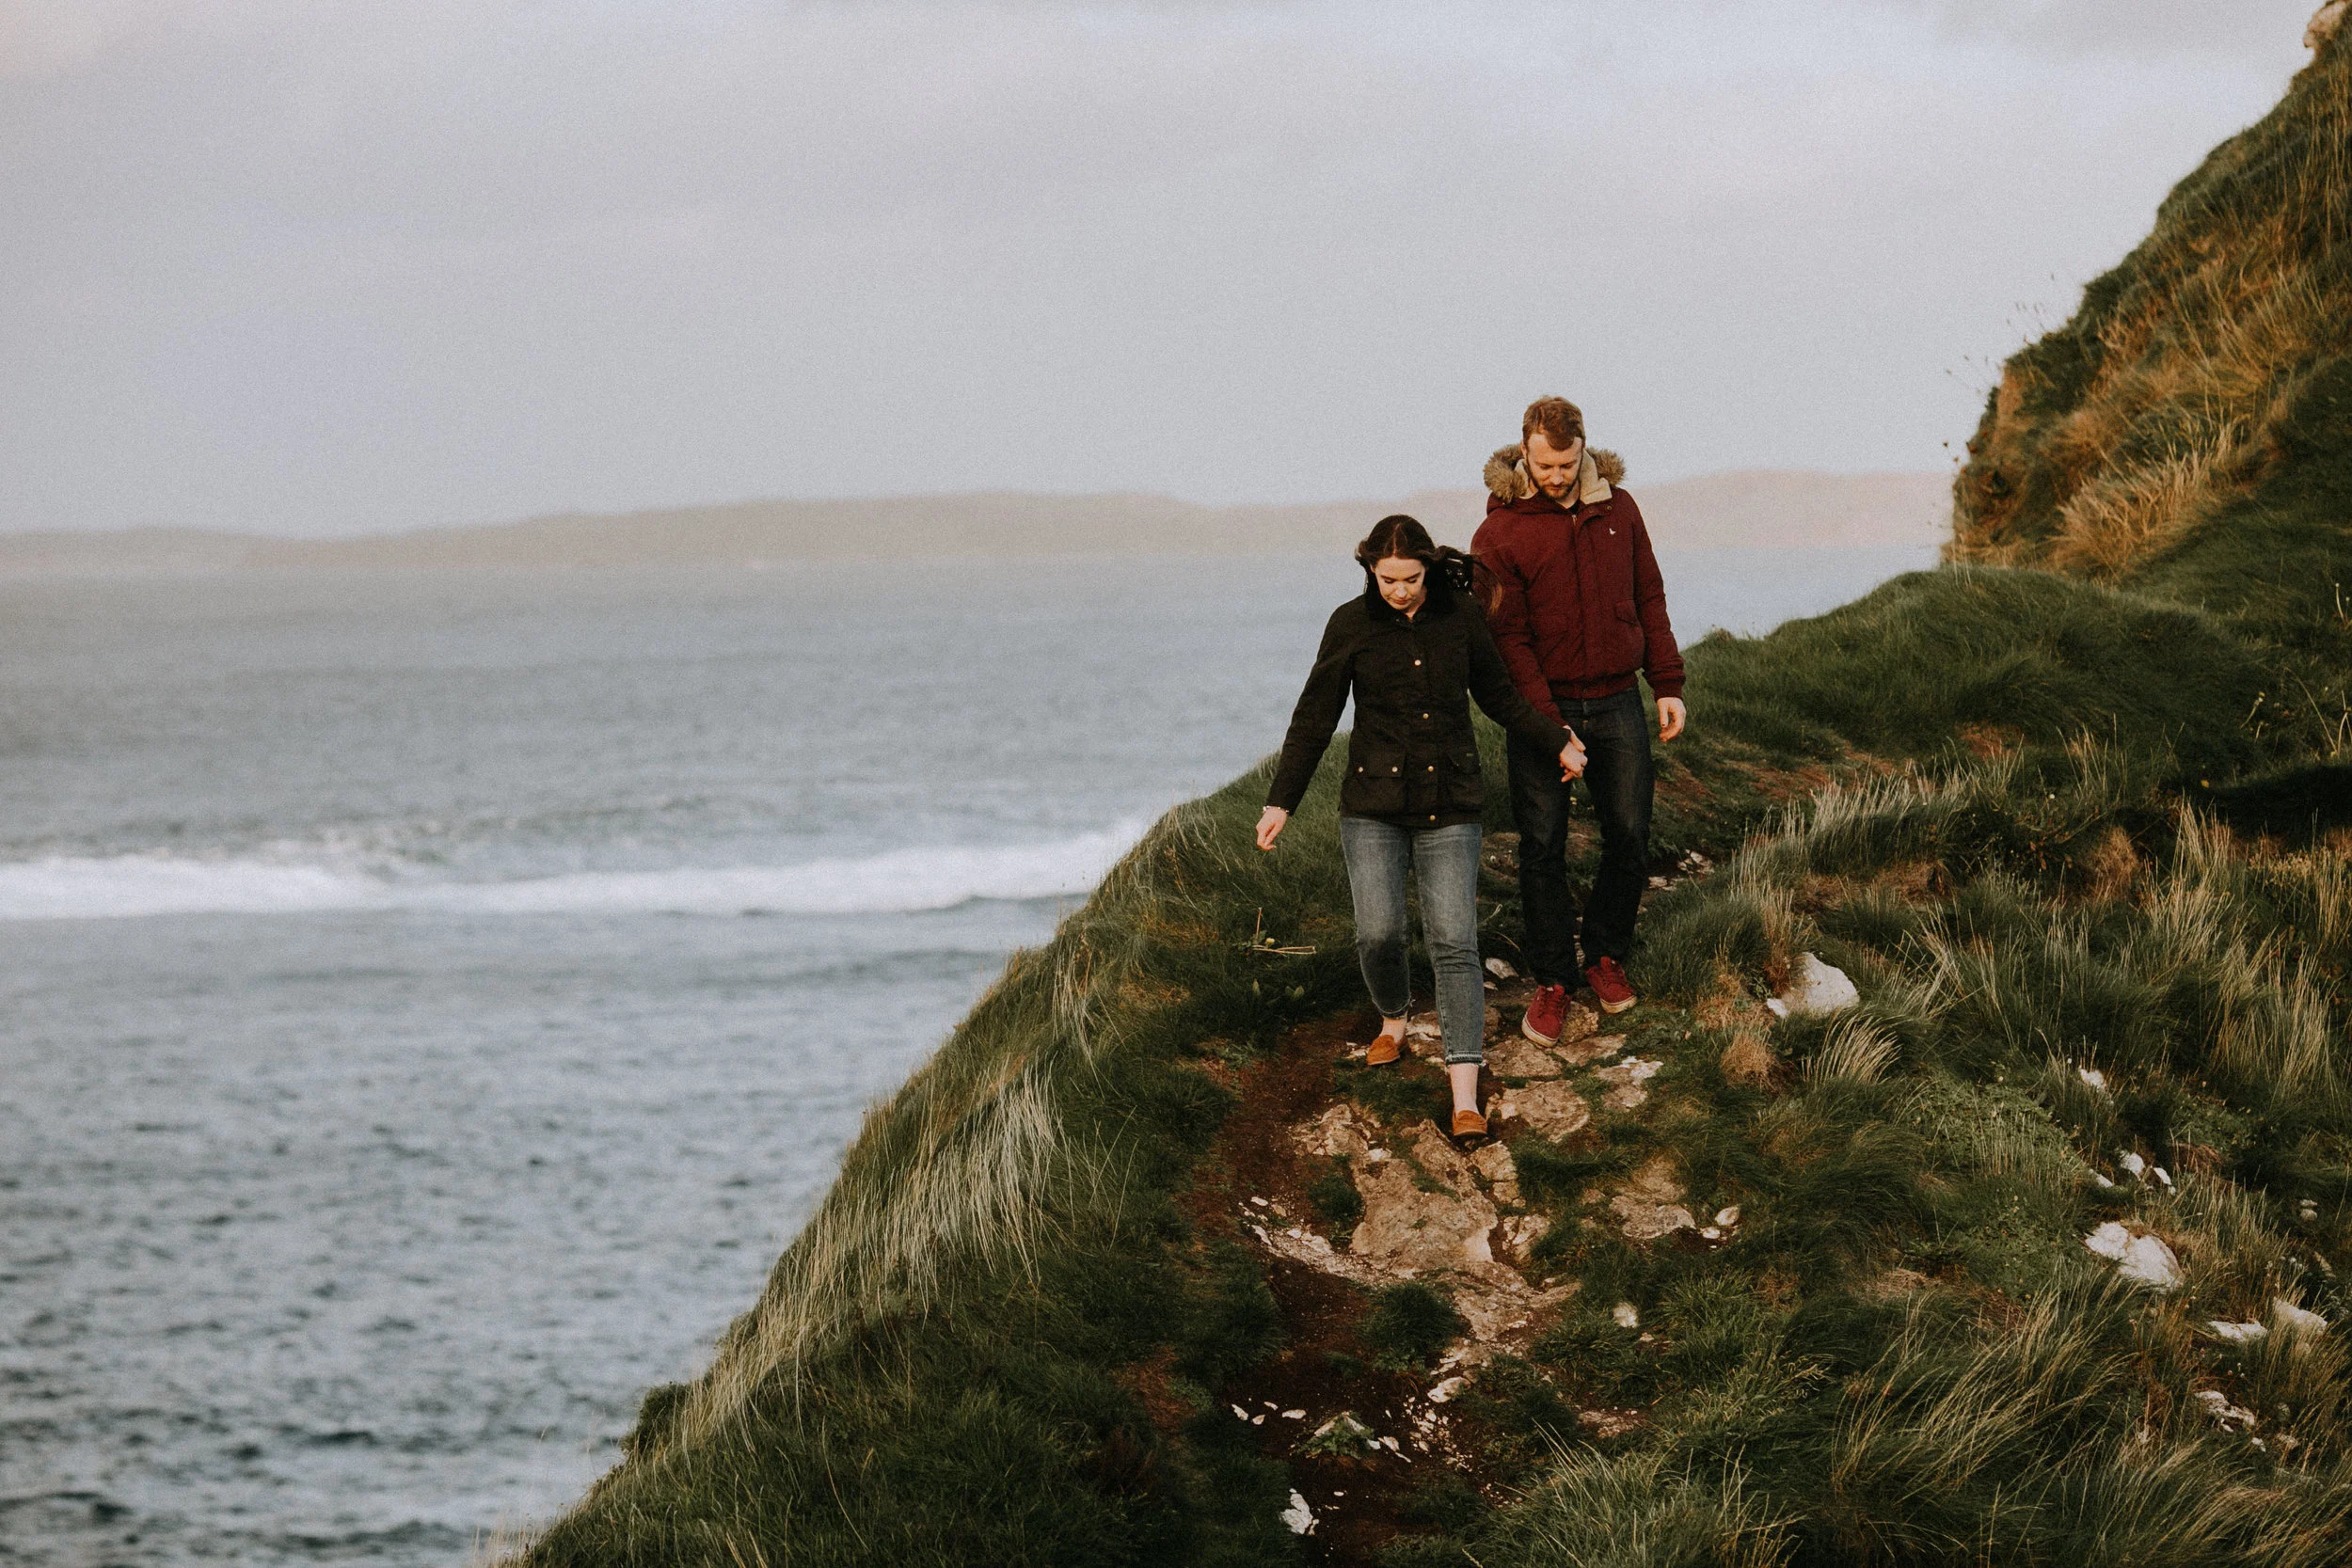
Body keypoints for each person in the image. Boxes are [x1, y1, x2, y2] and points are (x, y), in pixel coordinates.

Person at [1256, 515, 1585, 1139]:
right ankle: (1392, 1016)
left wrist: (1556, 741)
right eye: (1388, 579)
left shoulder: (1460, 617)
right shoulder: (1349, 624)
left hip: (1451, 802)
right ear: (1369, 571)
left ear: (1428, 570)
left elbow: (1501, 697)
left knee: (1455, 941)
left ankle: (1464, 1091)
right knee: (1379, 933)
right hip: (1372, 808)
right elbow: (1314, 718)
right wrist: (1281, 802)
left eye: (1410, 578)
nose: (1400, 590)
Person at [1472, 396, 1685, 1038]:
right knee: (1542, 848)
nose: (1556, 475)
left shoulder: (1619, 509)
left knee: (1629, 833)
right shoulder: (1499, 533)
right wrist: (1549, 727)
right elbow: (1508, 643)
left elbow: (1648, 591)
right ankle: (1554, 979)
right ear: (1525, 452)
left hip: (1619, 697)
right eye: (1544, 464)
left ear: (1582, 449)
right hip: (1545, 710)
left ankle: (1605, 954)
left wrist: (1667, 683)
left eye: (1565, 463)